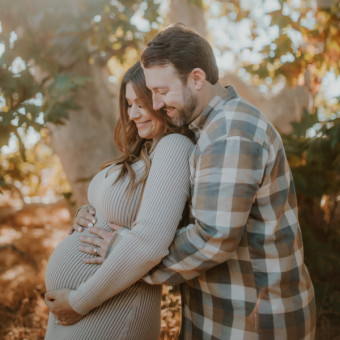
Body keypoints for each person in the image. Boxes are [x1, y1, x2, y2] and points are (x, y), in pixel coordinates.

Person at [72, 24, 316, 339]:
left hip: (254, 322)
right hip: (221, 315)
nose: (155, 104)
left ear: (197, 79)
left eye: (161, 91)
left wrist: (123, 253)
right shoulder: (207, 129)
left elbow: (212, 239)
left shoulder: (230, 130)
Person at [44, 61, 194, 340]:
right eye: (128, 104)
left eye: (141, 103)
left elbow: (150, 243)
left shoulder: (174, 146)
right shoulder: (146, 150)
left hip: (112, 307)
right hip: (86, 306)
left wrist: (79, 301)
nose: (133, 114)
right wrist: (86, 216)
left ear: (160, 101)